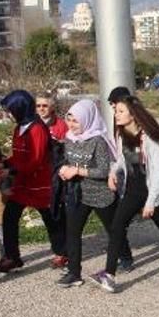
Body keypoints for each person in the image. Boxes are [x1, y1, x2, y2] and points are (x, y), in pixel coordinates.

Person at [97, 96, 159, 292]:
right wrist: (113, 171)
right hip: (132, 191)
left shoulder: (148, 138)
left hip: (153, 190)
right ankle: (109, 275)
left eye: (120, 111)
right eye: (115, 111)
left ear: (132, 114)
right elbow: (121, 158)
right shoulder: (120, 134)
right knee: (117, 227)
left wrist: (151, 202)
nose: (116, 115)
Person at [51, 99, 120, 288]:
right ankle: (74, 273)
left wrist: (78, 171)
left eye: (76, 121)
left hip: (100, 194)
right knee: (72, 232)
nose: (71, 125)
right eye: (69, 120)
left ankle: (124, 256)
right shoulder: (69, 138)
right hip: (77, 194)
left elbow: (103, 170)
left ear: (88, 119)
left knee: (114, 231)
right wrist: (63, 169)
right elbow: (66, 159)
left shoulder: (98, 140)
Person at [0, 90, 67, 273]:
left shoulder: (36, 129)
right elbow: (19, 156)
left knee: (50, 219)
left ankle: (62, 251)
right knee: (10, 217)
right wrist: (3, 164)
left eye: (11, 110)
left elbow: (36, 160)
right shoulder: (19, 127)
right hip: (22, 182)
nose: (9, 114)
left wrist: (11, 170)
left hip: (40, 184)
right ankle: (12, 257)